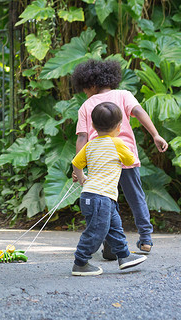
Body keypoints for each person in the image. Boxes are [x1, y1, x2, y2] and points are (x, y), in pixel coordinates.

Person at [72, 59, 168, 258]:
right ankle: (146, 239)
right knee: (136, 196)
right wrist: (155, 134)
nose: (84, 92)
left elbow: (82, 137)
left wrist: (78, 168)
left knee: (105, 200)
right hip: (125, 154)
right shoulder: (124, 95)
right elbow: (139, 112)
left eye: (84, 88)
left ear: (90, 84)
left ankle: (109, 245)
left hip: (100, 160)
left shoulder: (86, 106)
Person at [72, 102, 147, 276]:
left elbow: (76, 163)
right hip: (101, 197)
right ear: (119, 126)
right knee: (96, 232)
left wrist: (81, 177)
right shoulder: (117, 143)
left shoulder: (89, 145)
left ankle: (124, 256)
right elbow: (130, 161)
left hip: (95, 196)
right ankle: (80, 262)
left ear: (92, 126)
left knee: (115, 227)